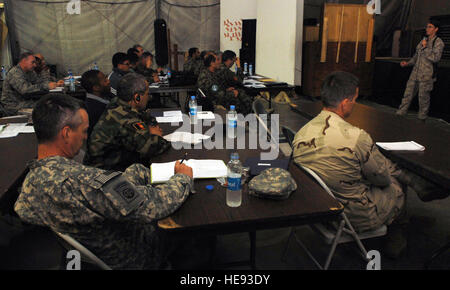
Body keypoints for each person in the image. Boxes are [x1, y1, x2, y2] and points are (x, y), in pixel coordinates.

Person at [14, 93, 193, 269]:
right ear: (66, 133)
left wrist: (138, 172)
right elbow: (154, 204)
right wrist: (182, 178)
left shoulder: (30, 183)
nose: (85, 138)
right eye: (84, 131)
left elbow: (108, 193)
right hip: (135, 253)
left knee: (136, 170)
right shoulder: (85, 182)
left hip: (95, 252)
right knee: (192, 230)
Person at [293, 71, 449, 258]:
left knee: (373, 166)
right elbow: (382, 180)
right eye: (354, 100)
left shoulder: (302, 132)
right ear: (344, 103)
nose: (355, 104)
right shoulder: (356, 137)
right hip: (352, 214)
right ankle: (397, 235)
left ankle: (415, 185)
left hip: (318, 204)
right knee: (396, 186)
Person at [84, 73, 170, 171]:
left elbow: (147, 118)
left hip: (113, 164)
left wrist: (149, 128)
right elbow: (154, 147)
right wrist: (156, 135)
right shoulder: (125, 119)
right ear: (137, 97)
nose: (149, 98)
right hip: (106, 174)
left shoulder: (118, 102)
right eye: (147, 94)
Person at [396, 19, 445, 120]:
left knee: (423, 99)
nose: (427, 29)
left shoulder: (438, 42)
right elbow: (416, 56)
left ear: (436, 29)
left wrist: (426, 48)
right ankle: (400, 114)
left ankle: (422, 119)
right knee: (407, 94)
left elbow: (436, 58)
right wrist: (408, 63)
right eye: (427, 26)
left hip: (426, 75)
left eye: (430, 27)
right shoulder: (423, 40)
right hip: (415, 73)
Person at [80, 69, 113, 136]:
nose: (109, 81)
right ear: (96, 88)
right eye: (105, 81)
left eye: (107, 78)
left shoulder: (107, 96)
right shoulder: (94, 109)